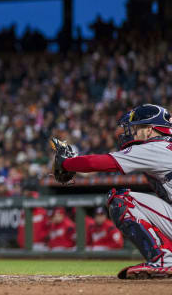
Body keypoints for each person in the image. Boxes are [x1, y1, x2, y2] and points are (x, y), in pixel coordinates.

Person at [51, 104, 172, 279]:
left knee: (122, 200)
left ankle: (164, 261)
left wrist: (67, 163)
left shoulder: (155, 147)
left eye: (137, 128)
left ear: (150, 130)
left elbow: (99, 163)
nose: (132, 132)